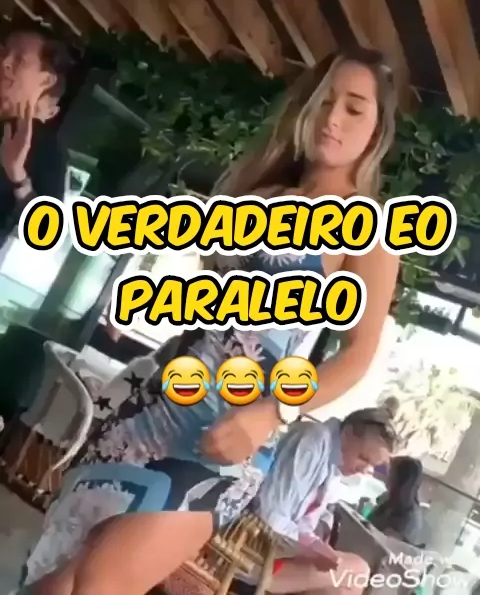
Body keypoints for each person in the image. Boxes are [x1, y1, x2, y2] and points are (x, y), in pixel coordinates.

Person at [18, 46, 400, 595]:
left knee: (100, 581)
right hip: (154, 405)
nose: (333, 117)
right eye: (325, 101)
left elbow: (357, 356)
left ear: (377, 130)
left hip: (231, 429)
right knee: (57, 575)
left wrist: (273, 412)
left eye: (355, 108)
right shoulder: (259, 197)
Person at [242, 407, 396, 595]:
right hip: (250, 551)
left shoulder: (332, 462)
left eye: (372, 465)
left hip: (272, 550)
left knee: (341, 588)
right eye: (363, 458)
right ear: (347, 434)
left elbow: (306, 518)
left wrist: (317, 544)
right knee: (358, 571)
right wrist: (312, 548)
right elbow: (270, 516)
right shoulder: (313, 441)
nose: (364, 470)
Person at [0, 24, 69, 247]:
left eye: (19, 59)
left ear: (46, 80)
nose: (5, 62)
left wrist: (18, 176)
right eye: (4, 52)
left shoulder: (46, 147)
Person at [368, 456, 424, 547]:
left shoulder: (410, 519)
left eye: (390, 474)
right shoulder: (387, 498)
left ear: (400, 480)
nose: (386, 477)